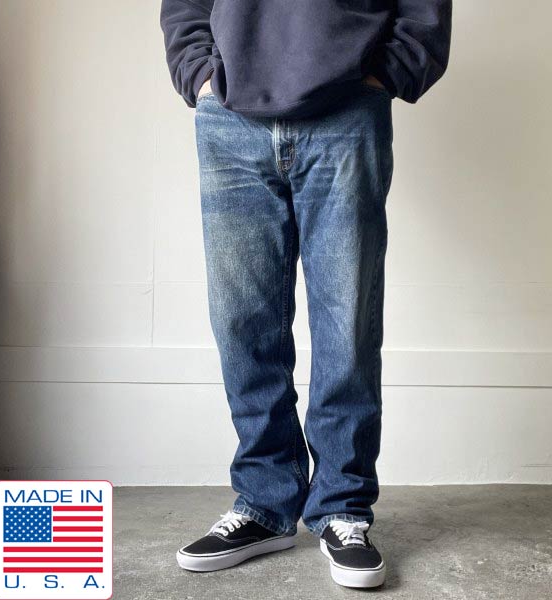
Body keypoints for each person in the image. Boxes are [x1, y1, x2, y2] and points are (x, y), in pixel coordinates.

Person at [160, 0, 452, 589]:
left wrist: (386, 74)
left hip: (347, 113)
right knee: (242, 323)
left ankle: (343, 507)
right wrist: (200, 73)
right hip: (230, 120)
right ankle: (264, 503)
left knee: (347, 321)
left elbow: (425, 11)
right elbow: (184, 7)